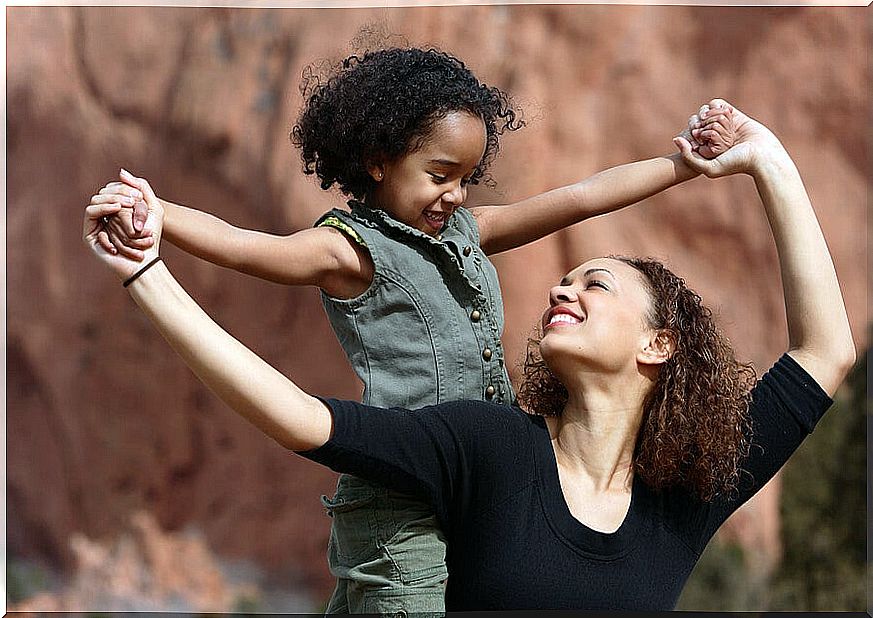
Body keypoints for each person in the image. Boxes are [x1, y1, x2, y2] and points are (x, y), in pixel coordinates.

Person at [85, 102, 854, 610]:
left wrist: (766, 160)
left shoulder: (686, 494)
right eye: (564, 276)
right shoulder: (489, 446)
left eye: (596, 282)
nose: (563, 285)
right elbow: (306, 421)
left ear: (659, 345)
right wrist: (149, 277)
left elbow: (824, 353)